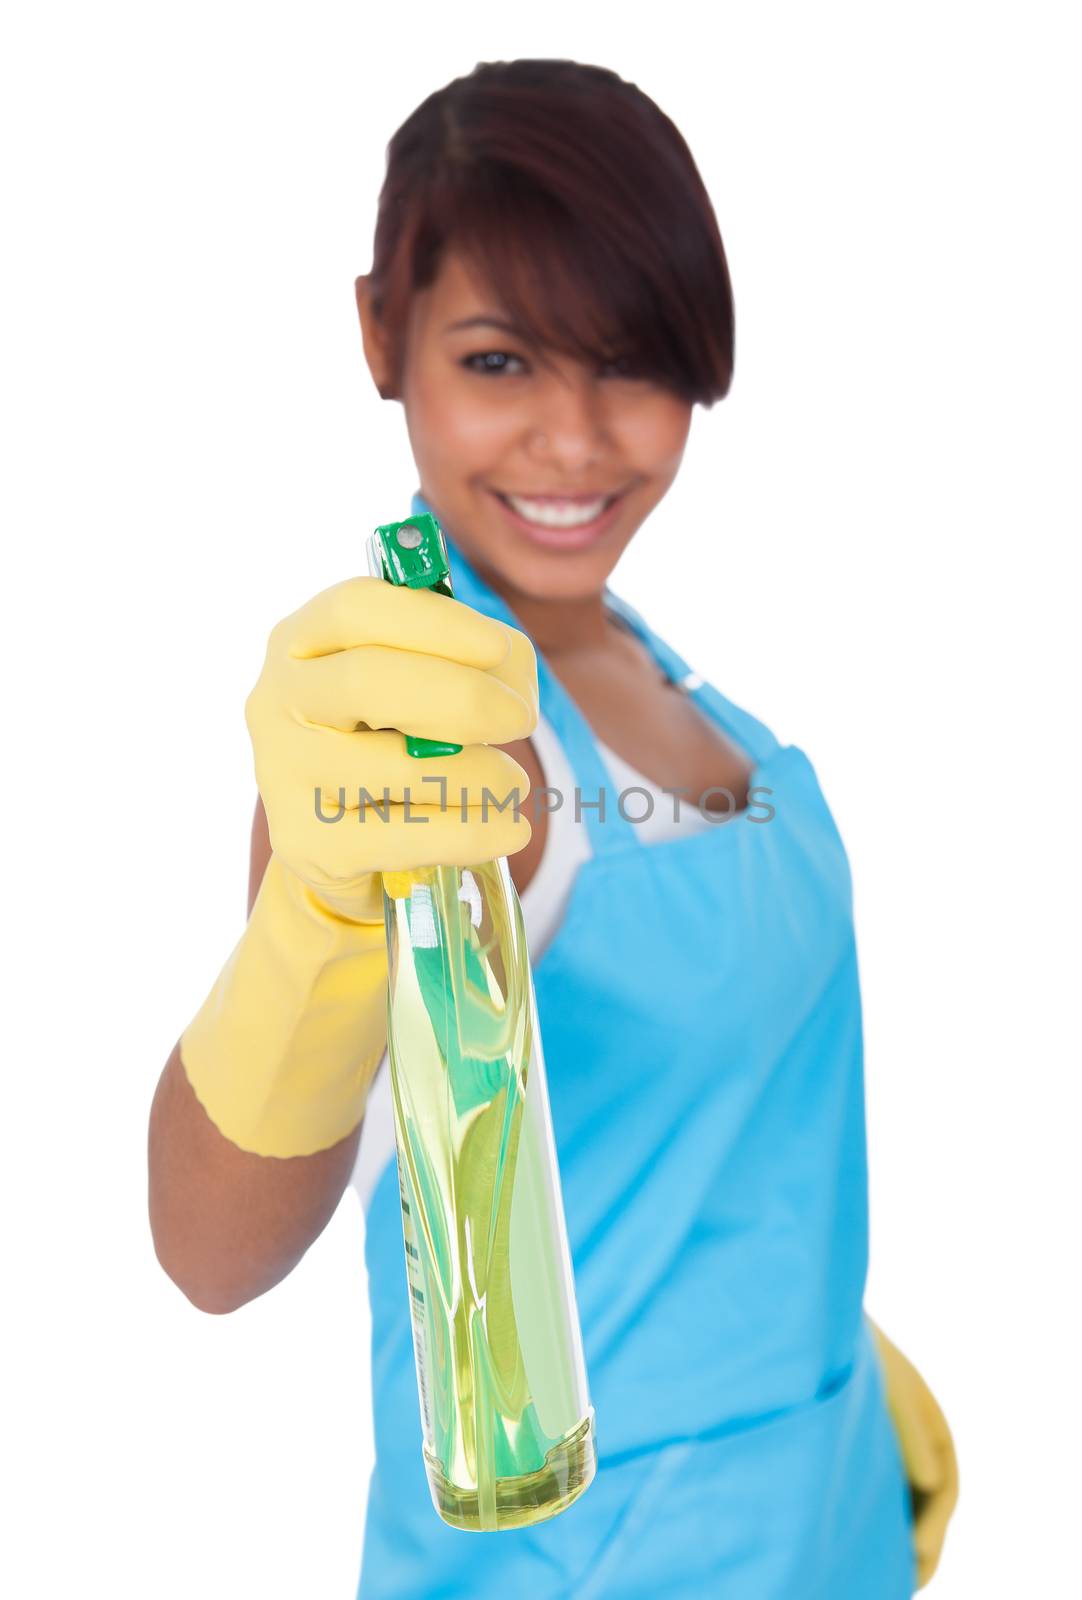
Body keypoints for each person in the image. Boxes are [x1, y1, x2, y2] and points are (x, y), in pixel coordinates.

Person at [148, 57, 959, 1598]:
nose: (578, 444)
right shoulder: (429, 740)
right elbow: (208, 1250)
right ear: (382, 337)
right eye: (501, 361)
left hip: (820, 1518)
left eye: (632, 363)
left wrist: (827, 1375)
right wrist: (319, 921)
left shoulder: (668, 674)